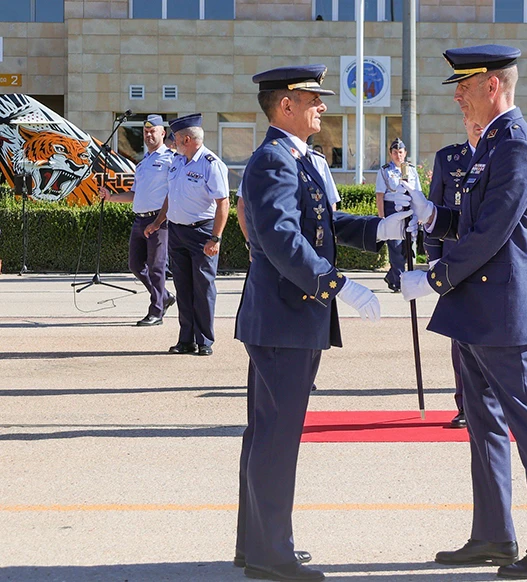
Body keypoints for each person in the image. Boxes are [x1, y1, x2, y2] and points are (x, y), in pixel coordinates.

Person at [400, 44, 527, 579]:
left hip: (502, 311)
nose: (458, 95)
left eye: (465, 85)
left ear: (493, 87)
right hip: (478, 309)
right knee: (482, 424)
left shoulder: (517, 148)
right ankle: (494, 534)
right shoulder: (491, 147)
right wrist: (435, 219)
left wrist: (433, 277)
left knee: (526, 420)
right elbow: (474, 221)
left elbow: (492, 235)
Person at [234, 64, 411, 582]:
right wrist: (338, 286)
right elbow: (282, 240)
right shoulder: (273, 160)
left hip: (290, 319)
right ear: (285, 105)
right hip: (284, 318)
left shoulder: (298, 159)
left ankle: (258, 546)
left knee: (268, 435)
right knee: (276, 437)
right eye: (313, 99)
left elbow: (324, 223)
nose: (322, 107)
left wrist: (380, 227)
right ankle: (272, 555)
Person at [144, 113, 230, 356]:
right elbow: (172, 196)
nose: (172, 142)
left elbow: (223, 203)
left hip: (202, 232)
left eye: (176, 138)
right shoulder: (178, 162)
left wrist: (216, 238)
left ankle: (204, 341)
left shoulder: (211, 164)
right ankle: (186, 339)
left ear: (188, 139)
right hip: (177, 232)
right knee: (183, 287)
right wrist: (158, 222)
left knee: (203, 287)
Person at [425, 115, 483, 429]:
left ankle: (490, 405)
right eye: (470, 117)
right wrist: (434, 259)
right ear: (463, 120)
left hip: (491, 263)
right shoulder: (448, 159)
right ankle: (466, 405)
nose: (476, 122)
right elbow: (433, 213)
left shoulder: (501, 155)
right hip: (453, 262)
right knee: (459, 338)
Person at [99, 114, 175, 326]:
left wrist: (161, 220)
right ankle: (164, 296)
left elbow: (175, 192)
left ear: (163, 133)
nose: (149, 135)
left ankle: (157, 311)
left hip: (159, 221)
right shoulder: (142, 164)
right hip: (140, 220)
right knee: (135, 265)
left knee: (157, 267)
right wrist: (111, 197)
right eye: (146, 132)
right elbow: (134, 194)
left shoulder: (171, 159)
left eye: (153, 131)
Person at [375, 138, 421, 292]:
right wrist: (382, 218)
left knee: (408, 247)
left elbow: (418, 193)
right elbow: (380, 195)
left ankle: (393, 276)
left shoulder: (412, 170)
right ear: (390, 154)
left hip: (409, 210)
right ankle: (400, 281)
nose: (398, 155)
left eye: (400, 152)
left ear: (405, 153)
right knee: (395, 246)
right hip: (392, 210)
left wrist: (420, 214)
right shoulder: (384, 171)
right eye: (395, 152)